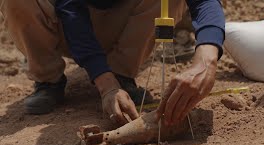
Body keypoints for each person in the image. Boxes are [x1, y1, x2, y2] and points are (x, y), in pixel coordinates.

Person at [0, 0, 225, 126]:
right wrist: (105, 84)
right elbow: (70, 9)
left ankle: (122, 72)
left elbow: (204, 1)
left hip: (123, 25)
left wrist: (206, 60)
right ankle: (48, 80)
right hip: (63, 26)